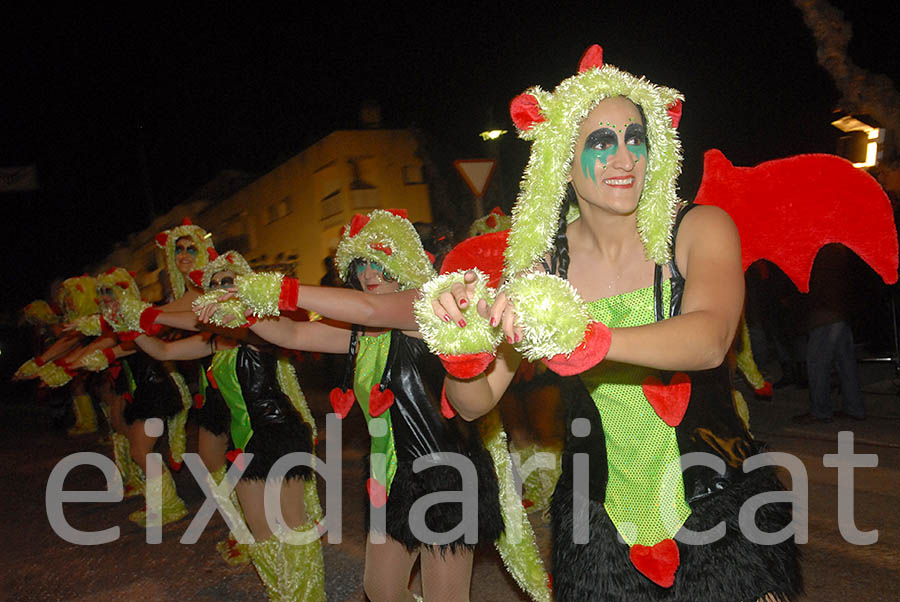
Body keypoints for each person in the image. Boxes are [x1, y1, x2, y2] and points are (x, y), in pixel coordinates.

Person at [426, 45, 802, 601]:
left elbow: (710, 338)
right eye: (601, 142)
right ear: (562, 158)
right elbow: (475, 402)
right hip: (598, 523)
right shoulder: (541, 267)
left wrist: (587, 337)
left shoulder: (700, 228)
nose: (624, 158)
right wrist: (462, 349)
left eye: (636, 138)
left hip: (716, 494)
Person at [203, 209, 512, 602]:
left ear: (402, 260)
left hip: (446, 476)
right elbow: (294, 331)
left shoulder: (428, 305)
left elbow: (370, 308)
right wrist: (244, 311)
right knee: (380, 590)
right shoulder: (362, 335)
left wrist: (279, 290)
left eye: (379, 261)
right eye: (361, 263)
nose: (369, 273)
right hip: (390, 477)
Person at [114, 252, 325, 601]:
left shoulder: (258, 326)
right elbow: (164, 351)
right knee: (260, 534)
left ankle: (306, 597)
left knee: (292, 530)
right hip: (243, 441)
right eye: (215, 284)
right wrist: (130, 326)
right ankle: (282, 594)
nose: (221, 288)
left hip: (279, 433)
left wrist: (151, 313)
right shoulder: (215, 339)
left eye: (229, 281)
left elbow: (232, 324)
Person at [793, 244, 866, 424]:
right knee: (845, 361)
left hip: (824, 311)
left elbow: (815, 280)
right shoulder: (839, 244)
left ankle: (821, 411)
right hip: (840, 308)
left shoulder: (820, 245)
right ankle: (854, 407)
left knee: (818, 362)